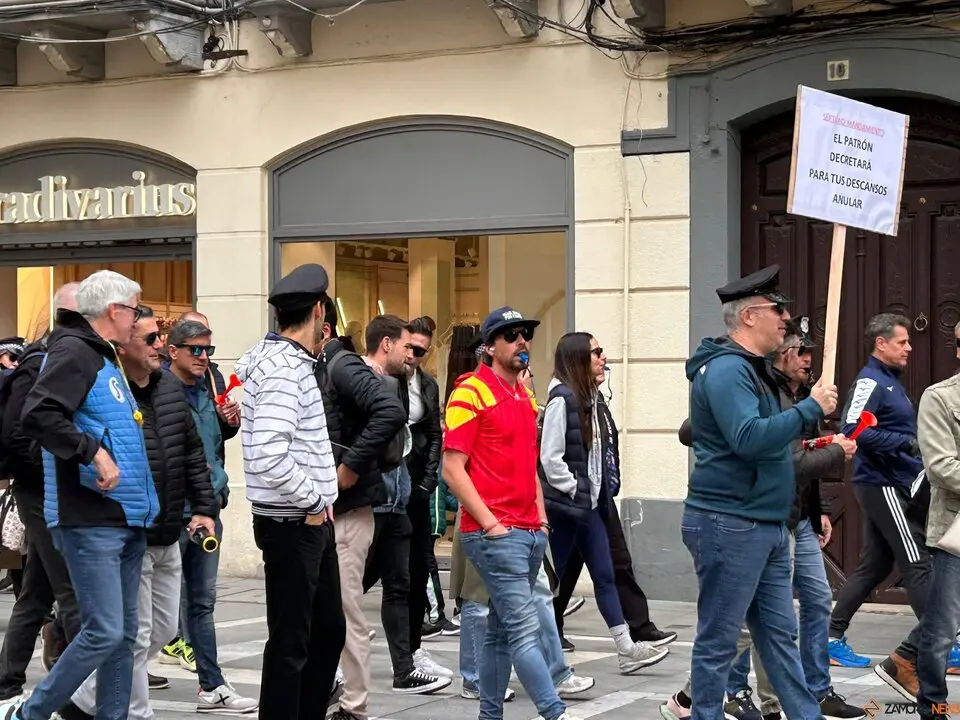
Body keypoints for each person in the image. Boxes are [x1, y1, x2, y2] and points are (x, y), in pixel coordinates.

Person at [679, 265, 837, 720]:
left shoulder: (756, 370)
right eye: (777, 309)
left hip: (765, 522)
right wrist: (809, 409)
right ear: (749, 316)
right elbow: (748, 438)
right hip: (730, 521)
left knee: (779, 639)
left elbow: (771, 440)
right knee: (719, 641)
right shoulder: (727, 370)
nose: (786, 318)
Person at [0, 270, 157, 720]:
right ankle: (30, 713)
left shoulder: (102, 355)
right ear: (114, 310)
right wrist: (94, 453)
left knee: (122, 635)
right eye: (134, 311)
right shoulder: (75, 351)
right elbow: (39, 414)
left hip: (122, 516)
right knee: (104, 632)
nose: (137, 321)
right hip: (89, 518)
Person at [64, 306, 219, 720]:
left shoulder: (168, 387)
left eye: (159, 337)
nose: (159, 346)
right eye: (150, 339)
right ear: (123, 345)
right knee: (136, 633)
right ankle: (135, 712)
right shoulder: (108, 388)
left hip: (168, 527)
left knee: (164, 629)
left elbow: (192, 453)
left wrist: (204, 508)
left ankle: (81, 698)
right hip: (130, 531)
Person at [443, 306, 580, 720]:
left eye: (526, 334)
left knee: (501, 633)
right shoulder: (469, 393)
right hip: (496, 534)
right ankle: (556, 712)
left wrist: (540, 519)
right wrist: (491, 524)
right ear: (489, 347)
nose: (522, 341)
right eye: (511, 335)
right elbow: (452, 468)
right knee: (523, 630)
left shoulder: (524, 395)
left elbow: (528, 463)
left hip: (527, 531)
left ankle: (490, 715)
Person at [237, 263, 344, 720]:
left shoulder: (284, 361)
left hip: (302, 520)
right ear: (318, 311)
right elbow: (269, 454)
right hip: (294, 521)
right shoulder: (284, 369)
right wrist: (314, 500)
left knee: (324, 632)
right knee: (293, 642)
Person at [539, 332, 668, 673]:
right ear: (578, 358)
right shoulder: (562, 400)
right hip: (567, 508)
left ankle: (626, 649)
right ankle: (535, 650)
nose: (603, 357)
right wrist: (575, 488)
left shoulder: (591, 398)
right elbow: (550, 459)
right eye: (596, 352)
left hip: (592, 506)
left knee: (605, 574)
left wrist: (599, 490)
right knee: (550, 583)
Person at [314, 302, 408, 720]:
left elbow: (390, 413)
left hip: (349, 510)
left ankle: (354, 706)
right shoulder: (324, 366)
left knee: (347, 610)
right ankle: (333, 691)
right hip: (331, 509)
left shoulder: (342, 364)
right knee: (330, 608)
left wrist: (350, 465)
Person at [828, 314, 930, 697]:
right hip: (882, 483)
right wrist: (905, 444)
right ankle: (943, 640)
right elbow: (851, 428)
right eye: (902, 342)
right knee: (917, 560)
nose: (909, 348)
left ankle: (831, 638)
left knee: (876, 565)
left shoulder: (891, 382)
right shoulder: (871, 381)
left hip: (894, 481)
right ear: (881, 343)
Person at [162, 319, 257, 711]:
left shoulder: (208, 385)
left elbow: (211, 443)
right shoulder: (160, 389)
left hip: (206, 508)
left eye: (208, 350)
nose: (203, 357)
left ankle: (211, 685)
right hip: (172, 512)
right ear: (173, 352)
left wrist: (227, 421)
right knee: (155, 607)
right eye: (195, 350)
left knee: (202, 602)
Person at [0, 284, 80, 694]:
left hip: (55, 489)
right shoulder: (39, 364)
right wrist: (55, 465)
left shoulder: (66, 359)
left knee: (37, 590)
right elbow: (18, 435)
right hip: (40, 491)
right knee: (71, 591)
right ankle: (78, 689)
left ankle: (7, 679)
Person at [915, 321, 960, 720]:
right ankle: (933, 708)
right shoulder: (940, 397)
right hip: (954, 530)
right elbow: (942, 467)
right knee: (943, 631)